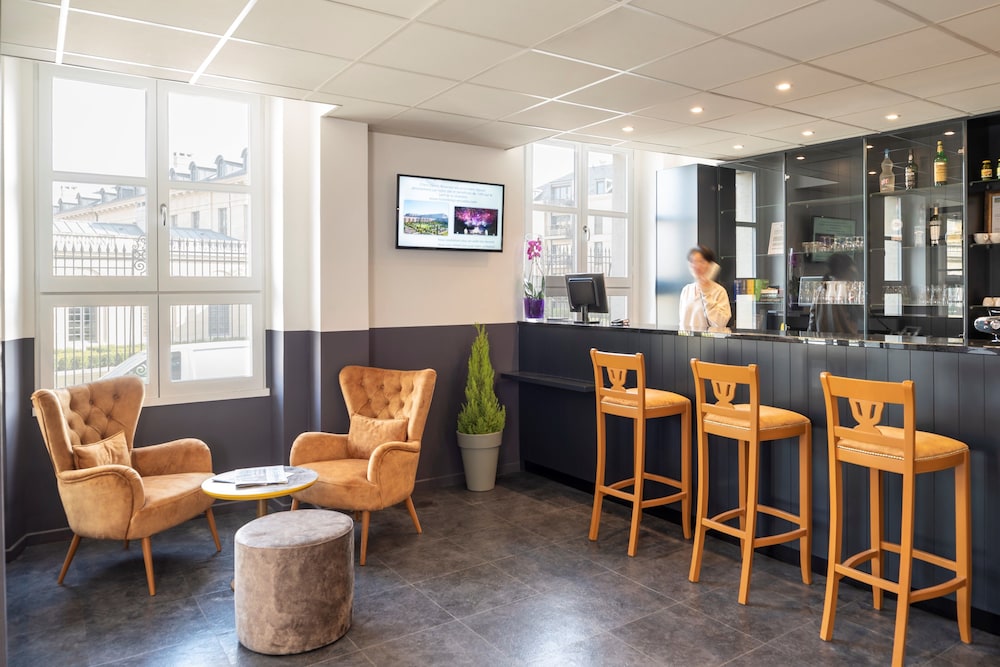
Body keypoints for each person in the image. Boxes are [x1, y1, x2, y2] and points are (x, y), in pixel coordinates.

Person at [679, 245, 731, 332]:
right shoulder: (686, 290)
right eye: (692, 262)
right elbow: (682, 322)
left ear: (710, 265)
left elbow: (721, 323)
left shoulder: (719, 291)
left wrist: (706, 293)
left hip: (709, 340)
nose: (696, 266)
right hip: (687, 339)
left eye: (701, 261)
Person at [807, 252, 861, 335]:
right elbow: (862, 314)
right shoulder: (849, 290)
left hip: (823, 339)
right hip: (846, 339)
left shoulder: (820, 290)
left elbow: (812, 321)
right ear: (848, 270)